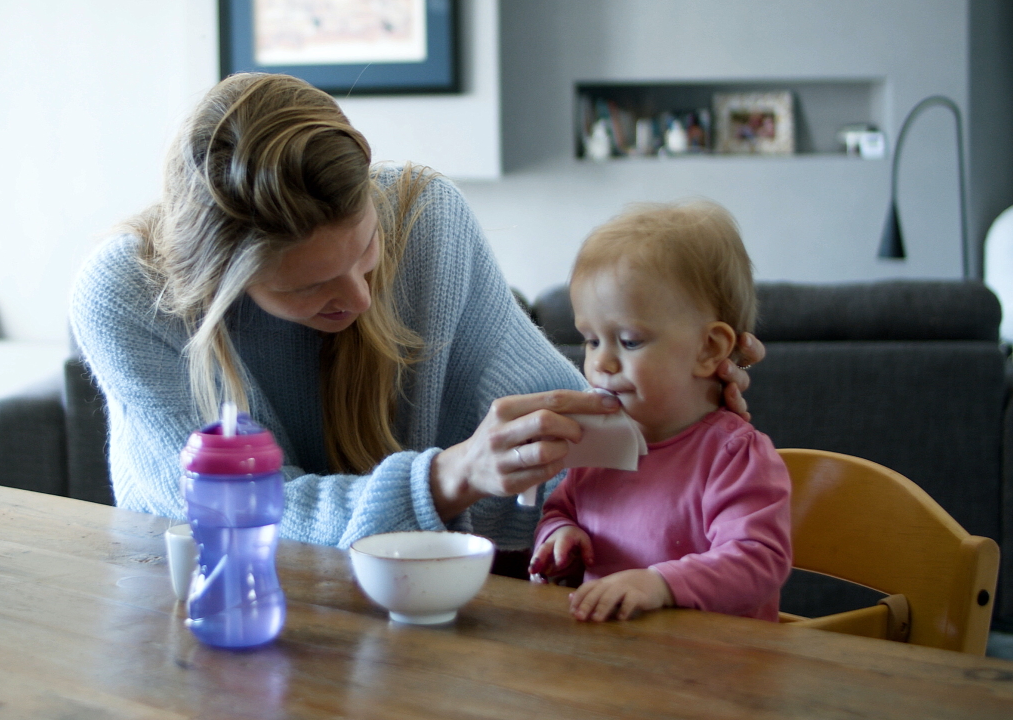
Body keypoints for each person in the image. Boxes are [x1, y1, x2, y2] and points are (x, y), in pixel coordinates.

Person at [70, 72, 764, 552]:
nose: (360, 298)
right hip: (209, 618)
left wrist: (677, 409)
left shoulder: (421, 218)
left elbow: (573, 458)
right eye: (308, 288)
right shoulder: (128, 295)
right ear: (219, 278)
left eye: (365, 252)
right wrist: (444, 479)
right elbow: (242, 517)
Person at [528, 201, 791, 622]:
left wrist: (659, 584)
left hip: (712, 672)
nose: (602, 365)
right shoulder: (597, 443)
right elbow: (561, 508)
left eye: (629, 341)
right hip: (612, 666)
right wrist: (561, 536)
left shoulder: (734, 455)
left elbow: (758, 561)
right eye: (592, 341)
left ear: (709, 349)